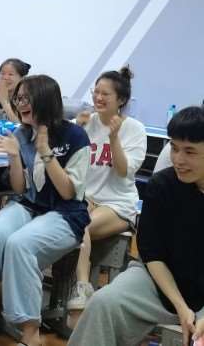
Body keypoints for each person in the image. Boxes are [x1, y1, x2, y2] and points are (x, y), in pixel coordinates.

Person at [0, 75, 91, 346]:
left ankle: (31, 336)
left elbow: (68, 192)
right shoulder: (22, 134)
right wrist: (13, 156)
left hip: (66, 214)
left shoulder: (75, 136)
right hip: (30, 205)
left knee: (20, 244)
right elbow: (20, 188)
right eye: (18, 98)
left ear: (45, 100)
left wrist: (45, 151)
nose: (20, 104)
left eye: (25, 98)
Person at [68, 106, 204, 346]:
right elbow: (152, 253)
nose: (178, 159)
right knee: (104, 303)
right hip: (157, 282)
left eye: (190, 151)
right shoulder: (161, 186)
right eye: (174, 148)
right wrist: (181, 306)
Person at [67, 66, 147, 314]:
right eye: (96, 92)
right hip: (87, 198)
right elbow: (62, 156)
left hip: (117, 204)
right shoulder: (85, 122)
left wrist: (113, 138)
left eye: (105, 94)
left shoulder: (135, 129)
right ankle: (65, 291)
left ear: (121, 100)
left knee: (80, 224)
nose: (98, 98)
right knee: (69, 220)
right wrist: (75, 131)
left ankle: (81, 288)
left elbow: (123, 171)